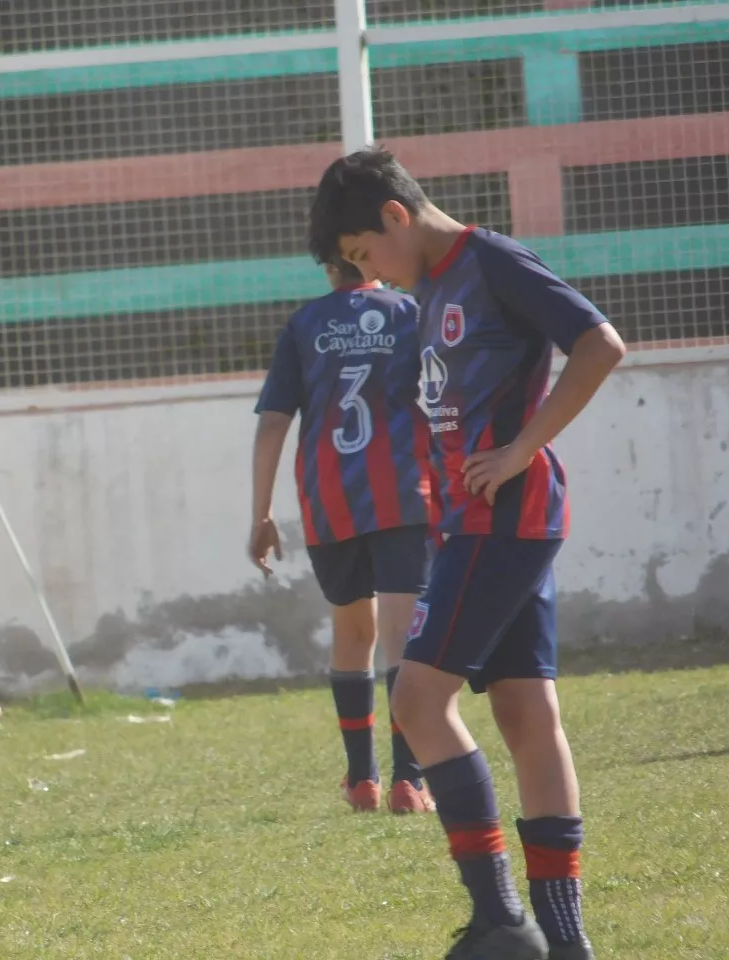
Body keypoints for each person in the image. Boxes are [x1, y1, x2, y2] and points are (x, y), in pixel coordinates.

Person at [308, 147, 625, 960]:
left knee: (417, 702)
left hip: (505, 518)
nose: (368, 274)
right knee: (526, 714)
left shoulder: (492, 262)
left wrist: (521, 448)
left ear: (396, 215)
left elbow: (599, 344)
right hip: (473, 520)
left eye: (365, 254)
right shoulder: (430, 290)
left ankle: (501, 921)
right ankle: (564, 942)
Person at [250, 257, 435, 815]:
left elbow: (273, 421)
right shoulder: (408, 311)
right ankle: (409, 780)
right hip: (402, 489)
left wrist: (261, 513)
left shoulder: (305, 324)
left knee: (353, 630)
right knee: (403, 634)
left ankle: (361, 780)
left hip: (330, 496)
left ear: (327, 262)